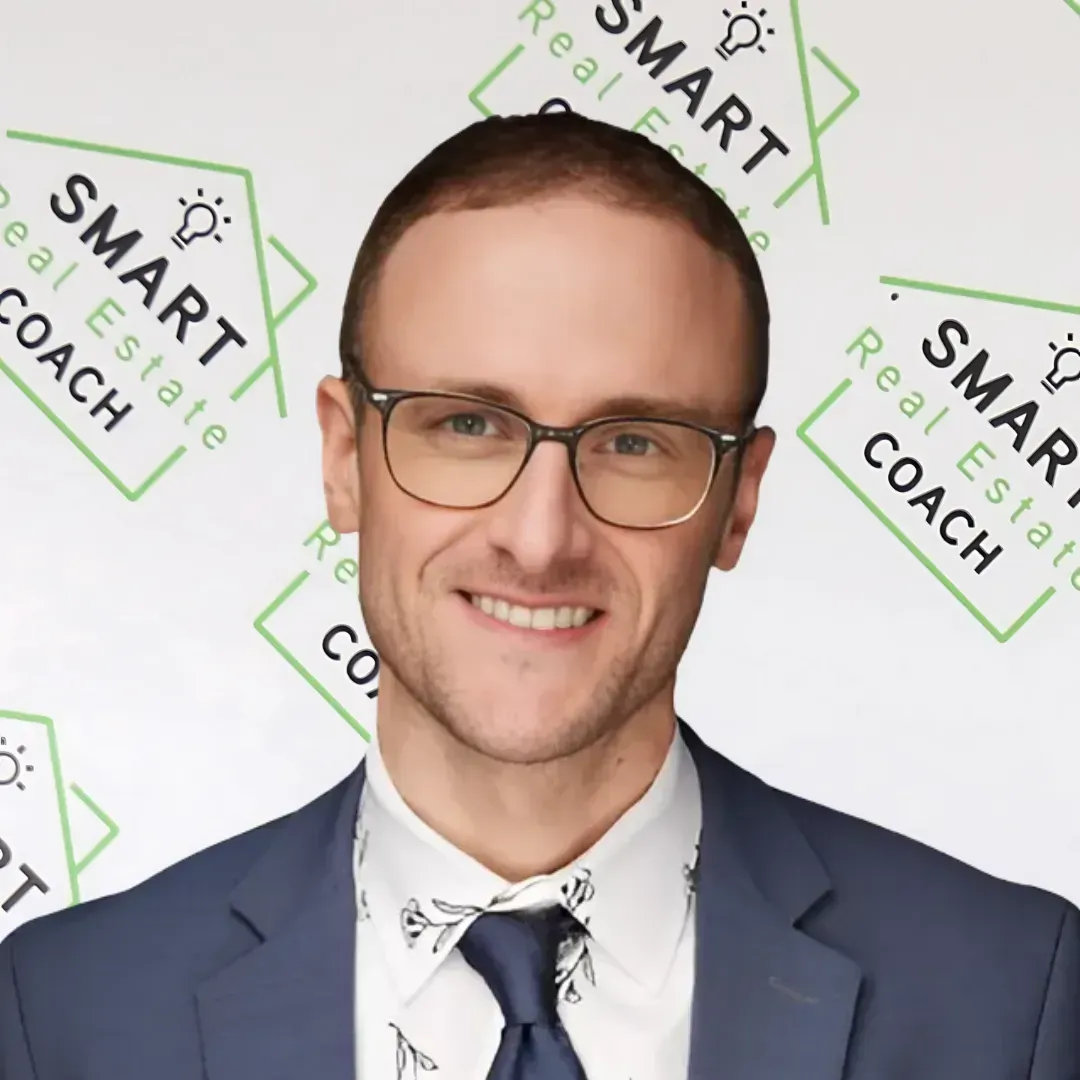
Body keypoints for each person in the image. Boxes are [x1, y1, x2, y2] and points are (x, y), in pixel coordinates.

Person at [1, 111, 1076, 1080]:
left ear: (738, 501)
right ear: (344, 459)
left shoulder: (1009, 1002)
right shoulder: (63, 1017)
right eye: (467, 424)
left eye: (635, 441)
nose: (540, 536)